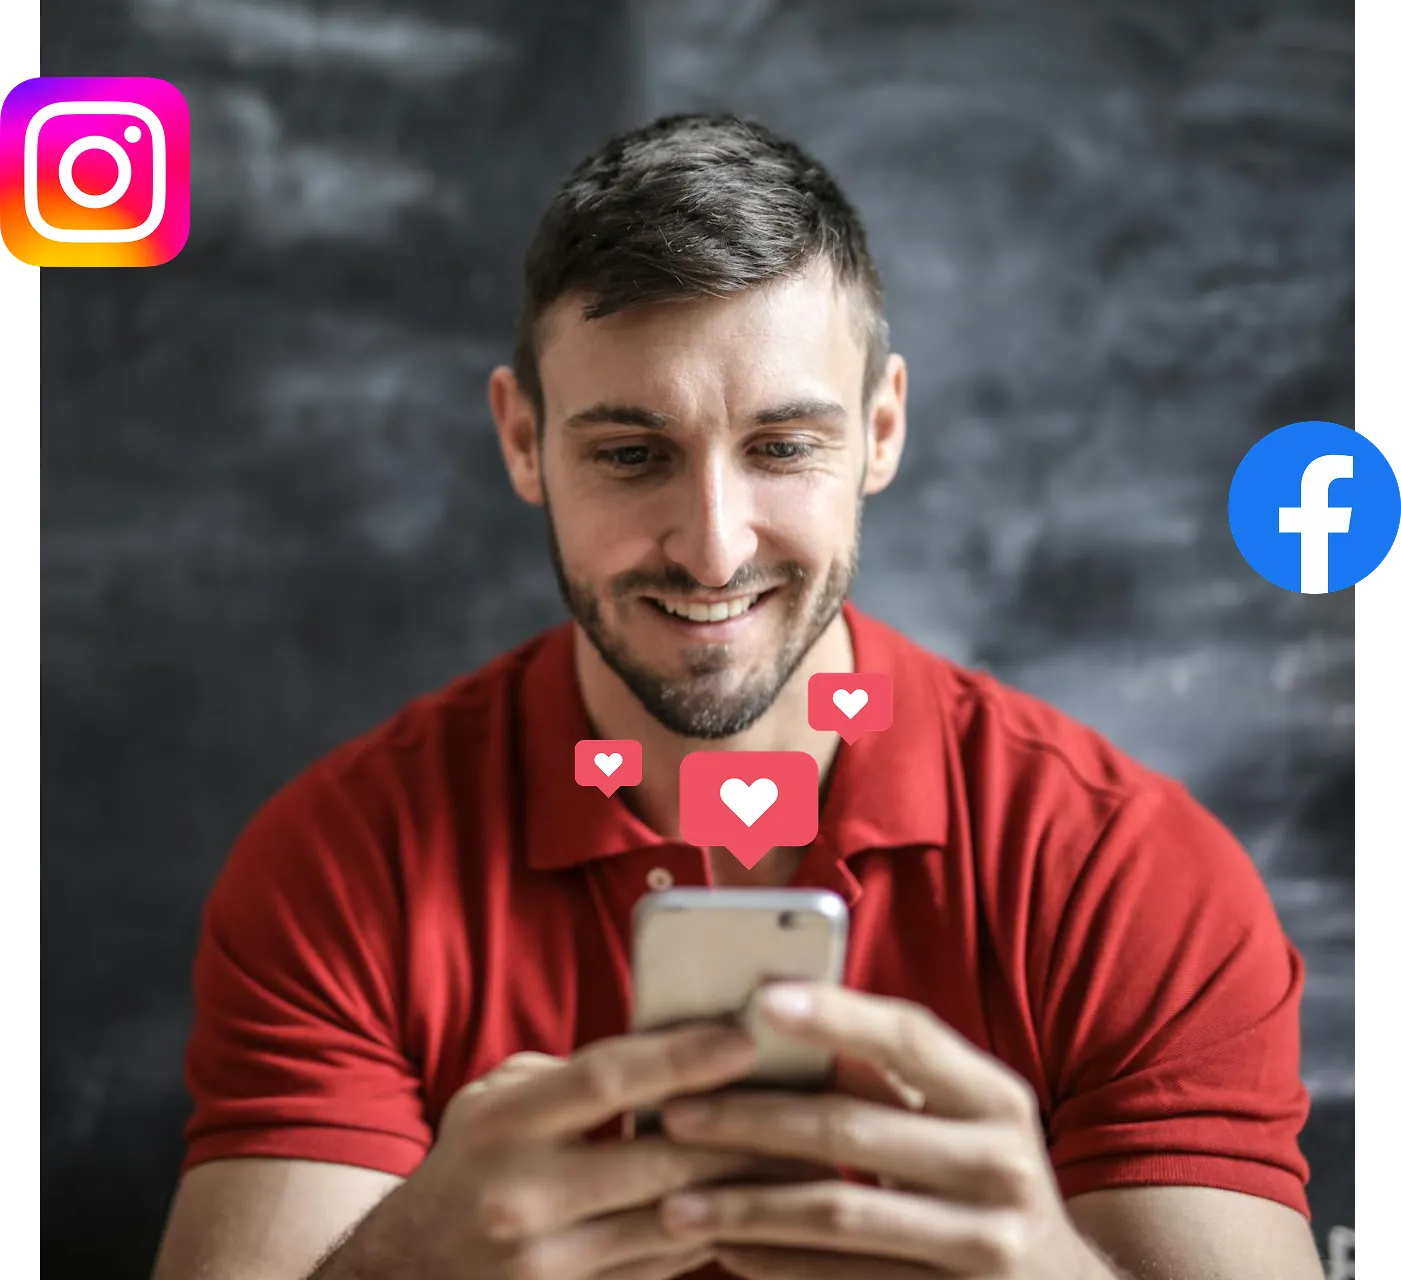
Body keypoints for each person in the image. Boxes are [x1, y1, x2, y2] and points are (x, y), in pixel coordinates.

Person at [151, 114, 1326, 1280]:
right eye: (630, 453)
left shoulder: (1126, 872)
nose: (712, 550)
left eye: (781, 446)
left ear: (880, 429)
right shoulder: (341, 859)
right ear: (522, 440)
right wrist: (409, 1265)